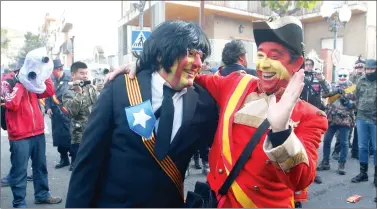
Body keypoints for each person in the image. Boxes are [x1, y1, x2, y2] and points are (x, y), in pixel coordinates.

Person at [108, 16, 328, 208]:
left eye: (275, 56)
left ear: (297, 62)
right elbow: (185, 74)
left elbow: (301, 180)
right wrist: (144, 64)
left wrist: (281, 132)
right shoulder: (235, 83)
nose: (264, 65)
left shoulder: (311, 116)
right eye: (261, 55)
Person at [65, 20, 218, 208]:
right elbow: (87, 163)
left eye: (201, 56)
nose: (198, 63)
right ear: (162, 54)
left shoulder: (204, 103)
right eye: (191, 54)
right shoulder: (120, 89)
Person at [1, 49, 62, 208]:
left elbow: (49, 91)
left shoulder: (35, 80)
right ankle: (19, 202)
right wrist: (22, 82)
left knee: (40, 167)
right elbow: (11, 104)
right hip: (19, 135)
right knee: (20, 170)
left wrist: (45, 74)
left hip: (38, 132)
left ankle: (42, 195)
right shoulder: (8, 80)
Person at [1, 58, 34, 187]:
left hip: (29, 122)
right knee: (17, 151)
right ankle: (14, 175)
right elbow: (9, 102)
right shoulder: (8, 80)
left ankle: (19, 174)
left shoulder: (30, 78)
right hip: (14, 122)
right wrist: (20, 85)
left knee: (28, 151)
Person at [317, 68, 356, 175]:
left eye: (344, 75)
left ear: (348, 76)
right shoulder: (333, 86)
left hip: (345, 120)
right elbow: (325, 92)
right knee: (327, 141)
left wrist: (348, 103)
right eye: (340, 75)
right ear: (337, 77)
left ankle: (341, 164)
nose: (342, 77)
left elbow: (357, 104)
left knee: (344, 143)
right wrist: (321, 79)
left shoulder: (352, 88)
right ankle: (325, 162)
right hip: (332, 119)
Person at [62, 61, 99, 171]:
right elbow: (72, 111)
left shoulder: (91, 88)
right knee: (79, 169)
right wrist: (79, 93)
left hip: (93, 132)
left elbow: (97, 106)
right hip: (79, 136)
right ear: (73, 75)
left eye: (86, 73)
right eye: (82, 73)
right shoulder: (68, 91)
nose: (85, 76)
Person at [351, 59, 376, 189]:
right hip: (361, 117)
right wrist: (355, 110)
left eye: (372, 69)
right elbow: (357, 97)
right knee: (362, 147)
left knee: (376, 148)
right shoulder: (361, 80)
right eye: (367, 69)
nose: (369, 71)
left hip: (375, 119)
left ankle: (376, 176)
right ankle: (363, 173)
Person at [44, 59, 72, 169]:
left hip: (66, 113)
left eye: (52, 70)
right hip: (56, 114)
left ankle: (74, 160)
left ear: (58, 69)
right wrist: (48, 107)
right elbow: (48, 95)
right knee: (58, 138)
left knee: (69, 136)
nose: (51, 72)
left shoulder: (69, 79)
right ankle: (64, 159)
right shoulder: (52, 80)